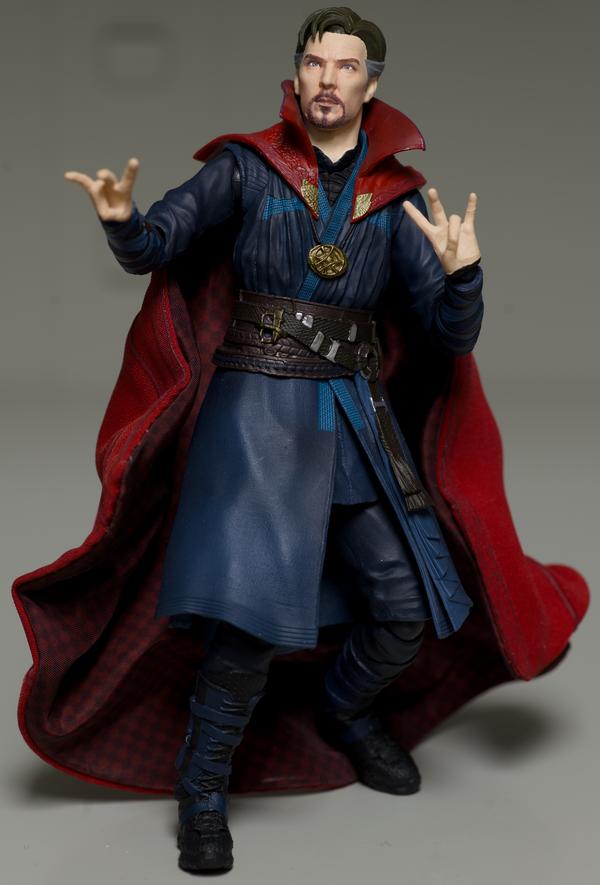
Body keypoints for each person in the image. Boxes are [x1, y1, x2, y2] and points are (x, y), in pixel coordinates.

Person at [13, 6, 588, 876]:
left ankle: (344, 710)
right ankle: (203, 789)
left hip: (354, 416)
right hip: (258, 414)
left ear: (371, 84)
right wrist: (123, 221)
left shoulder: (395, 199)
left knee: (403, 604)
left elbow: (447, 335)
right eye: (315, 62)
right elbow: (158, 242)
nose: (327, 79)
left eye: (345, 66)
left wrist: (465, 276)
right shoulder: (247, 167)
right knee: (248, 623)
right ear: (297, 72)